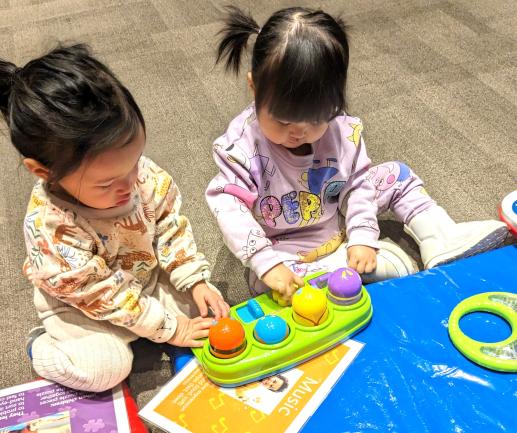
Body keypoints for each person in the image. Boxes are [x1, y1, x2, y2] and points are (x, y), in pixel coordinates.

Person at [205, 6, 508, 305]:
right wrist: (266, 263)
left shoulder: (340, 130)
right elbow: (228, 206)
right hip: (284, 243)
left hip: (333, 210)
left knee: (396, 175)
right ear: (254, 88)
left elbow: (359, 184)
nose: (298, 133)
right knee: (269, 285)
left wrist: (363, 236)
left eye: (315, 120)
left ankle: (439, 236)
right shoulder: (241, 149)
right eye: (283, 121)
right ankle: (336, 275)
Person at [0, 44, 230, 392]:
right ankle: (41, 346)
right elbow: (102, 294)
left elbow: (170, 225)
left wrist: (193, 280)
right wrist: (170, 328)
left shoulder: (138, 176)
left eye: (134, 162)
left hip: (142, 280)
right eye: (107, 183)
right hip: (82, 305)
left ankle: (159, 318)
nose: (130, 185)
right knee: (105, 369)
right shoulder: (53, 227)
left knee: (208, 306)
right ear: (43, 171)